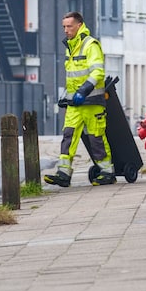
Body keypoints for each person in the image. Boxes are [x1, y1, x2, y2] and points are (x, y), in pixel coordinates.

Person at [44, 11, 115, 187]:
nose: (66, 30)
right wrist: (65, 97)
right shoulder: (71, 45)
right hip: (75, 103)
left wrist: (83, 91)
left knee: (96, 138)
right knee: (68, 136)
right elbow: (72, 78)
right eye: (64, 27)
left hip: (91, 102)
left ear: (79, 25)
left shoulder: (90, 45)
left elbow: (98, 72)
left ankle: (107, 172)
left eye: (69, 26)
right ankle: (63, 173)